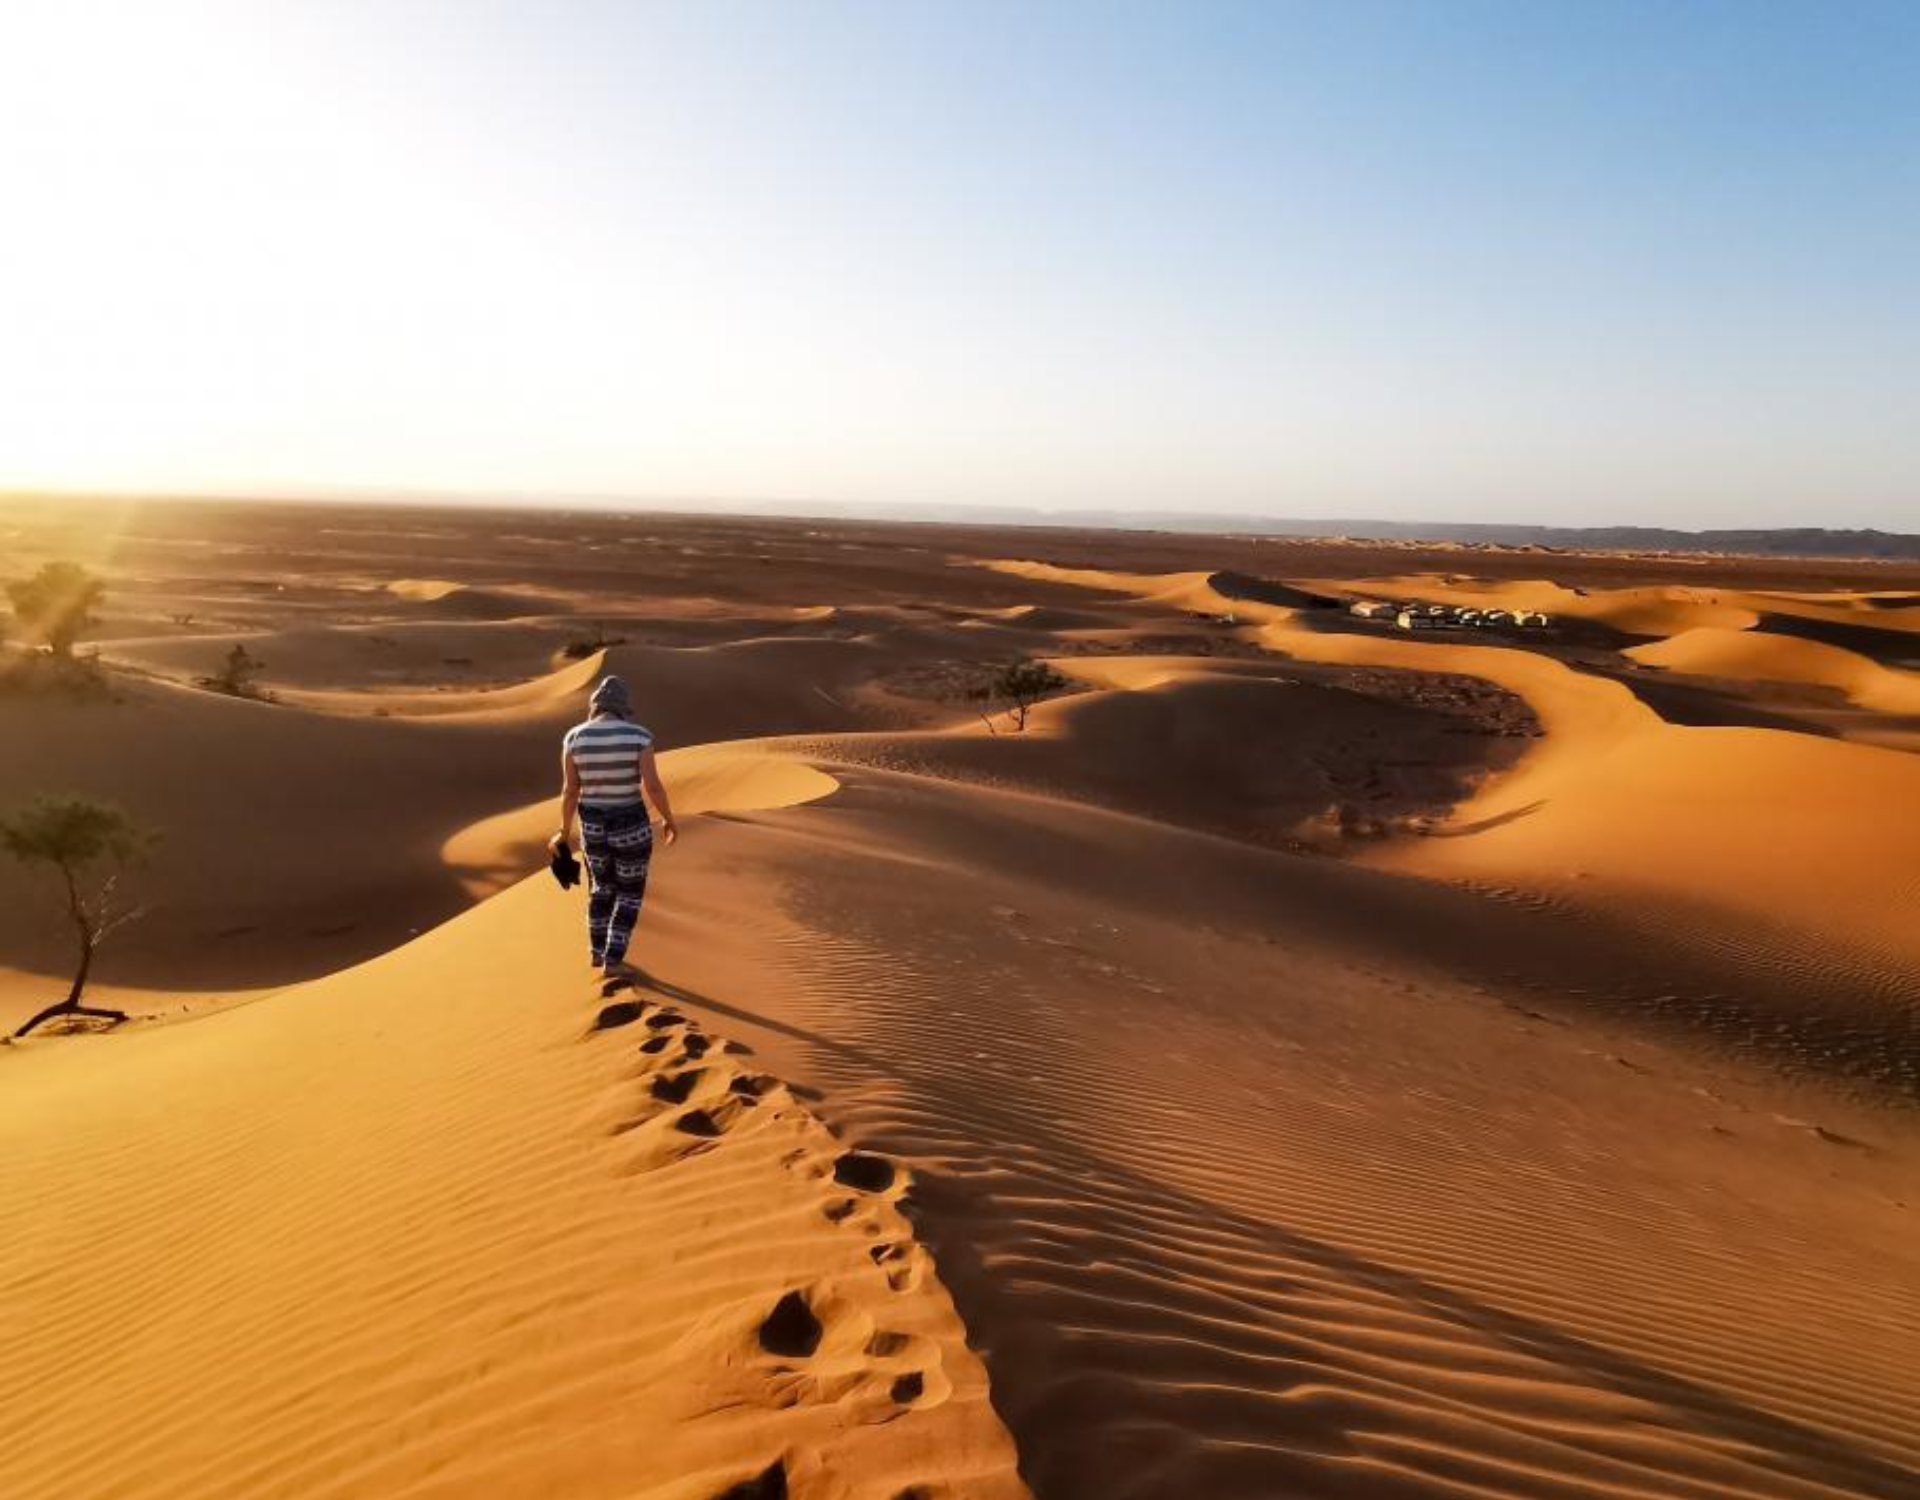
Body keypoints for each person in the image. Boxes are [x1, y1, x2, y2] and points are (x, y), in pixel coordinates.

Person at [553, 674, 677, 972]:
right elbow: (653, 786)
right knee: (629, 893)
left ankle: (596, 952)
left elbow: (570, 790)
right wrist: (668, 819)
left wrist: (563, 831)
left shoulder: (574, 737)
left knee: (601, 889)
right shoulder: (639, 736)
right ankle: (613, 958)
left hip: (592, 826)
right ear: (623, 708)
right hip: (631, 824)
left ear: (594, 707)